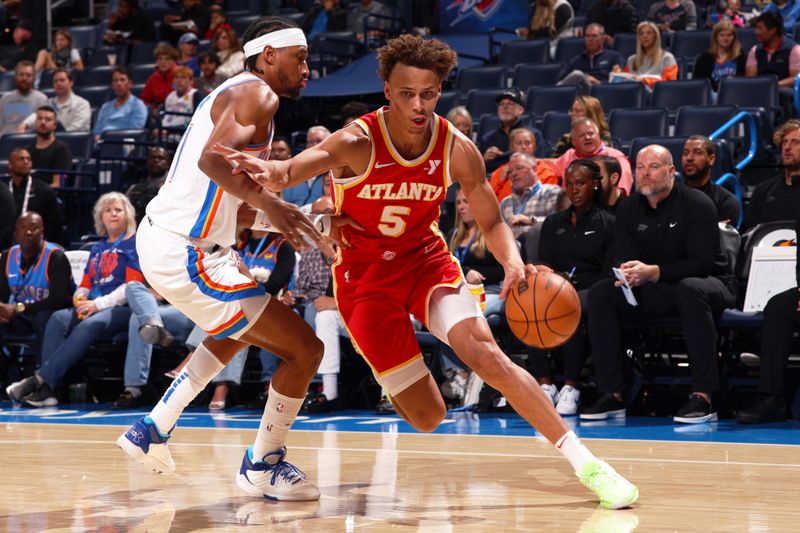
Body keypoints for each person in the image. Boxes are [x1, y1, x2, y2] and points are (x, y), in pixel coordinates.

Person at [217, 34, 639, 510]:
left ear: (441, 90)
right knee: (427, 416)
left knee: (486, 355)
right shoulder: (357, 140)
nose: (418, 105)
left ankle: (589, 465)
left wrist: (513, 260)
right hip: (364, 280)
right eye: (406, 93)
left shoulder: (457, 148)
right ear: (386, 88)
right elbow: (293, 170)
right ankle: (391, 370)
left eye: (429, 93)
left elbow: (493, 219)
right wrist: (270, 175)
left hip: (425, 262)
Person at [116, 16, 325, 502]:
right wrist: (276, 203)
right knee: (305, 349)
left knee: (242, 325)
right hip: (185, 251)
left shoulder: (237, 95)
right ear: (269, 55)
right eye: (302, 58)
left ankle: (153, 427)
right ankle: (262, 465)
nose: (308, 69)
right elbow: (215, 160)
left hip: (181, 244)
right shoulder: (258, 94)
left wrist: (319, 225)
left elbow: (244, 210)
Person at [580, 145, 736, 424]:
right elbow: (623, 256)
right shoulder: (628, 208)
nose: (645, 174)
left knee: (691, 288)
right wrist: (627, 272)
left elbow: (702, 263)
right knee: (603, 293)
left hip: (710, 283)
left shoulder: (698, 204)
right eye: (640, 167)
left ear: (671, 171)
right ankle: (611, 394)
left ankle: (704, 396)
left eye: (653, 167)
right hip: (656, 287)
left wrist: (654, 272)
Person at [5, 193, 144, 407]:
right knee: (58, 318)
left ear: (128, 215)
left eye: (119, 209)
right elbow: (87, 282)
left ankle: (40, 380)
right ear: (101, 217)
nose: (113, 213)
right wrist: (81, 296)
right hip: (93, 306)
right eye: (108, 210)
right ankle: (50, 392)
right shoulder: (97, 248)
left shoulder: (135, 243)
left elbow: (132, 288)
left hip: (123, 308)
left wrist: (97, 304)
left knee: (90, 324)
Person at [535, 160, 615, 415]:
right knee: (528, 305)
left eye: (580, 183)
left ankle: (571, 386)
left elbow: (608, 272)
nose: (574, 190)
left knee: (571, 305)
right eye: (569, 184)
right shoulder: (552, 223)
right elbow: (544, 264)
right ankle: (544, 384)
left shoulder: (608, 223)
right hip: (554, 288)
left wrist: (573, 283)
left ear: (594, 184)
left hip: (591, 290)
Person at [0, 212, 72, 366]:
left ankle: (43, 378)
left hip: (51, 314)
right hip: (23, 317)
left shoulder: (56, 257)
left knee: (44, 318)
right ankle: (7, 375)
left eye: (34, 228)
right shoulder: (7, 256)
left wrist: (18, 308)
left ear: (42, 232)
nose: (28, 232)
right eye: (23, 227)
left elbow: (56, 301)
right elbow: (3, 296)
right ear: (15, 232)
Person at [742, 119, 800, 232]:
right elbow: (748, 233)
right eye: (784, 142)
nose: (787, 147)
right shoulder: (763, 190)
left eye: (795, 142)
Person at [552, 117, 633, 194]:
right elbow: (549, 164)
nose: (587, 137)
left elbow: (621, 192)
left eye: (591, 133)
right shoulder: (568, 156)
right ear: (573, 141)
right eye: (581, 135)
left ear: (599, 136)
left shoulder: (615, 157)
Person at [500, 152, 566, 244]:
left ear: (534, 169)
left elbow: (558, 223)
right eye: (510, 171)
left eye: (519, 168)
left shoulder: (550, 192)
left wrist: (530, 221)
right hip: (512, 253)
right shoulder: (505, 203)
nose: (514, 173)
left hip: (542, 249)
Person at [7, 148, 63, 244]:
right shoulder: (4, 191)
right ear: (10, 165)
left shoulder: (44, 191)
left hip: (36, 246)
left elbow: (55, 225)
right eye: (21, 159)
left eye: (28, 159)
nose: (26, 162)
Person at [479, 89, 544, 173]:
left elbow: (539, 162)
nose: (505, 107)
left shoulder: (533, 135)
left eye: (511, 104)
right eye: (502, 104)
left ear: (521, 110)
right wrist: (484, 160)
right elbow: (478, 169)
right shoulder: (487, 138)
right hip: (494, 181)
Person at [681, 136, 740, 224]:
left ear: (711, 159)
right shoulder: (669, 198)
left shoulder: (726, 202)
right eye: (685, 153)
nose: (689, 158)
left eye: (697, 153)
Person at [490, 128, 560, 201]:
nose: (523, 147)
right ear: (511, 147)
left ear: (534, 146)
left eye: (527, 143)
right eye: (519, 143)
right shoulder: (499, 173)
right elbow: (490, 200)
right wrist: (501, 181)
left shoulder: (547, 173)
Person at [16, 69, 91, 133]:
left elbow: (76, 128)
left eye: (62, 80)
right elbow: (36, 115)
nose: (58, 83)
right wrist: (24, 124)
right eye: (55, 81)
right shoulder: (49, 103)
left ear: (71, 83)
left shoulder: (82, 104)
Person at [559, 23, 625, 94]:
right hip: (581, 94)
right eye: (587, 36)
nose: (590, 39)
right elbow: (562, 80)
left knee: (578, 74)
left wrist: (598, 82)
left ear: (602, 38)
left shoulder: (614, 57)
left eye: (594, 36)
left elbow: (618, 81)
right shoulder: (577, 60)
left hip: (604, 92)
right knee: (577, 75)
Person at [745, 11, 800, 89]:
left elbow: (796, 79)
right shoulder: (755, 51)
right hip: (759, 93)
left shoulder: (794, 50)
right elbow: (750, 80)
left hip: (784, 95)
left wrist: (773, 86)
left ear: (772, 30)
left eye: (760, 28)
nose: (756, 32)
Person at [94, 67, 148, 141]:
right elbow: (97, 131)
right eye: (115, 80)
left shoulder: (138, 105)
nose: (119, 84)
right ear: (112, 85)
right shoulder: (105, 107)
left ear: (130, 84)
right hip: (102, 145)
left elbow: (134, 132)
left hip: (124, 144)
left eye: (122, 80)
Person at [283, 126, 331, 208]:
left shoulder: (335, 172)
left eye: (319, 141)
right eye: (310, 142)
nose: (314, 145)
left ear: (330, 143)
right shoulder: (294, 172)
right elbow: (285, 203)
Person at [692, 19, 746, 93]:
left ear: (734, 37)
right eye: (722, 35)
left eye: (729, 35)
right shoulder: (704, 59)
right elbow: (699, 84)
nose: (725, 38)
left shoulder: (741, 56)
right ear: (715, 37)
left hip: (736, 92)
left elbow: (745, 80)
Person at [620, 21, 678, 89]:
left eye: (649, 33)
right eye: (641, 34)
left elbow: (669, 83)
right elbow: (626, 83)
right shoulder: (631, 59)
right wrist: (618, 74)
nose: (645, 36)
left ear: (655, 37)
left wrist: (644, 80)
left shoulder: (667, 58)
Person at [25, 106, 73, 186]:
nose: (43, 122)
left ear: (55, 125)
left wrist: (36, 192)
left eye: (48, 120)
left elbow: (57, 184)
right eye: (39, 119)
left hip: (49, 196)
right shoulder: (27, 150)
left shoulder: (62, 149)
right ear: (35, 122)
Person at [126, 146, 172, 226]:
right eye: (152, 157)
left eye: (160, 158)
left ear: (168, 163)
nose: (156, 160)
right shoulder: (134, 188)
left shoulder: (174, 187)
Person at [0, 61, 48, 135]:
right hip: (5, 141)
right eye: (21, 75)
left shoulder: (41, 99)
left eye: (28, 75)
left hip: (29, 140)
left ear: (34, 78)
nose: (24, 78)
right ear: (15, 76)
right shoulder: (5, 99)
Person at [157, 66, 202, 142]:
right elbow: (161, 115)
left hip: (183, 134)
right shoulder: (170, 96)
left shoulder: (195, 95)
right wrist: (156, 128)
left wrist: (169, 131)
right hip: (164, 133)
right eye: (177, 78)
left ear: (191, 81)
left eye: (184, 78)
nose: (179, 81)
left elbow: (197, 120)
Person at [142, 43, 179, 118]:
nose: (163, 62)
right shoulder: (152, 79)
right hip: (159, 115)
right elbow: (144, 101)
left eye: (167, 59)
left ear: (173, 61)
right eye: (160, 59)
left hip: (179, 112)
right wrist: (152, 109)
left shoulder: (181, 75)